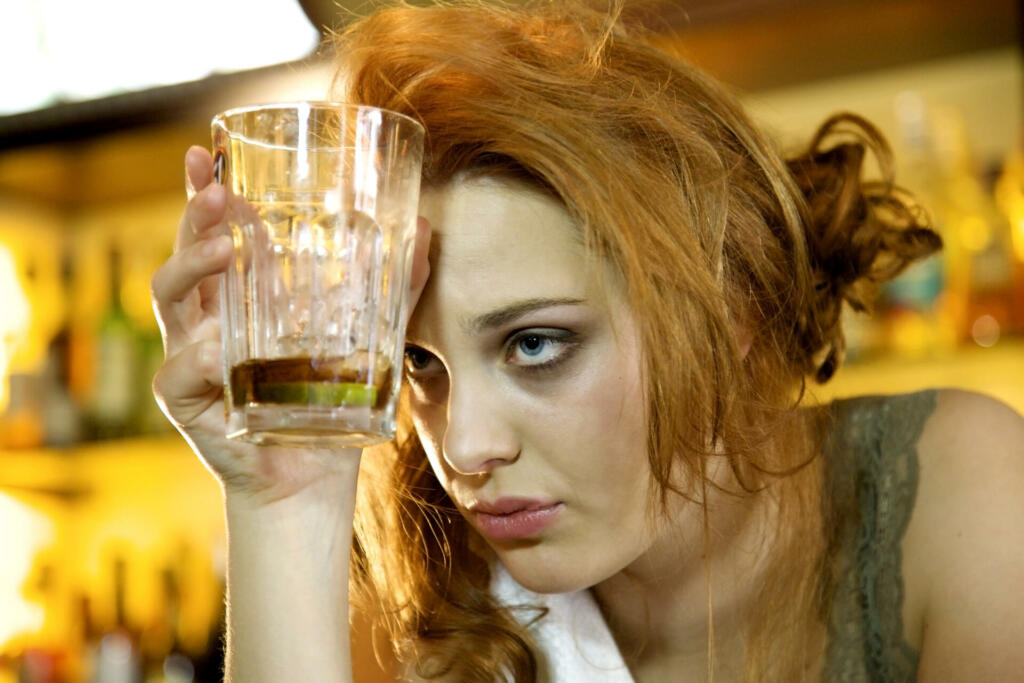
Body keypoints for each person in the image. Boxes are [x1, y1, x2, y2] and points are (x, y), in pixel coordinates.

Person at [150, 1, 1024, 680]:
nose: (465, 446)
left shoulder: (964, 496)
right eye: (420, 363)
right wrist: (282, 504)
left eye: (535, 345)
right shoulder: (426, 594)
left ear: (735, 308)